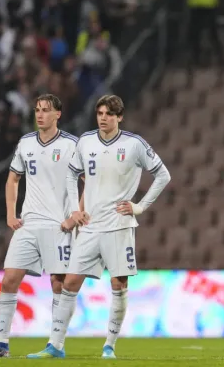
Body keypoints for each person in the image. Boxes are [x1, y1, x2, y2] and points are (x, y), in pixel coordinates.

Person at [27, 94, 171, 359]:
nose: (103, 118)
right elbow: (72, 174)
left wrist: (139, 206)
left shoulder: (134, 144)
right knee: (70, 282)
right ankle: (55, 345)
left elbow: (163, 174)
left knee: (118, 283)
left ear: (119, 117)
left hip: (118, 225)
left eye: (108, 114)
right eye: (100, 113)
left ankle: (109, 346)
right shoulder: (86, 141)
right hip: (90, 226)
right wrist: (74, 209)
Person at [0, 94, 87, 357]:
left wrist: (76, 214)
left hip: (58, 225)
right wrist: (10, 213)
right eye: (37, 110)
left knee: (58, 284)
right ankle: (2, 344)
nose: (40, 115)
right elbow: (13, 179)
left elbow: (91, 182)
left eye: (46, 110)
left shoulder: (72, 145)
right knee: (9, 280)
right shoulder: (26, 143)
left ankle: (56, 345)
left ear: (58, 114)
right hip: (28, 223)